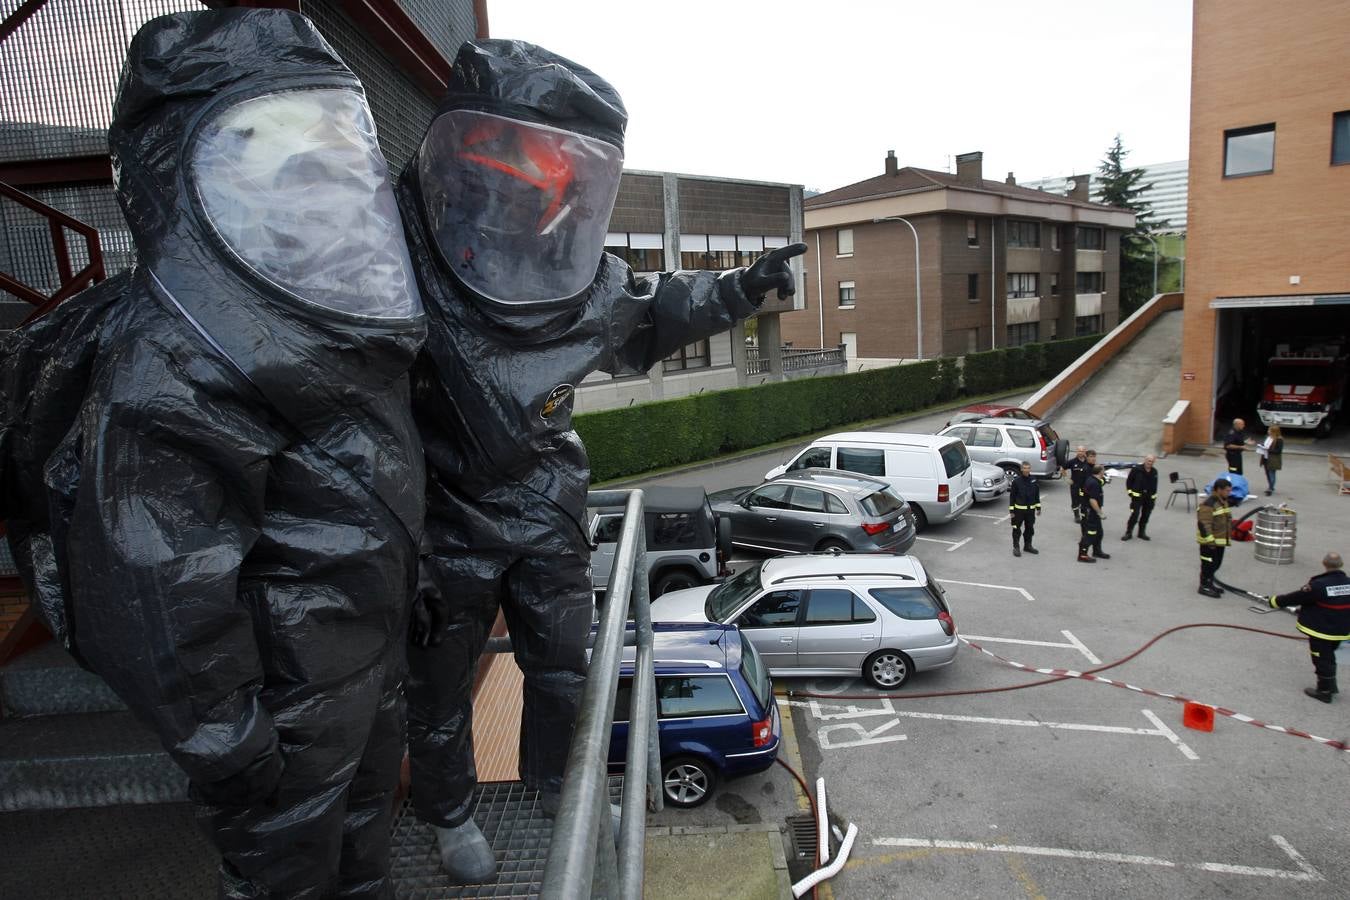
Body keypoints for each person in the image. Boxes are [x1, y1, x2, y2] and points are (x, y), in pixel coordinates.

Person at [1, 12, 429, 898]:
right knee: (287, 879)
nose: (317, 194)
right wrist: (231, 744)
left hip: (359, 670)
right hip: (283, 703)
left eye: (327, 164)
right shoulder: (172, 361)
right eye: (283, 169)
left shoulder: (329, 319)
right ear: (195, 180)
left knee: (362, 855)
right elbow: (157, 587)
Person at [395, 39, 806, 882]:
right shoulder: (402, 258)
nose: (540, 181)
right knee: (437, 686)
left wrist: (741, 286)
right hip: (441, 512)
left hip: (545, 500)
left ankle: (556, 783)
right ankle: (447, 813)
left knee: (561, 668)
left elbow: (652, 308)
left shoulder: (570, 272)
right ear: (476, 154)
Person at [1268, 553, 1350, 703]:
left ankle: (1324, 691)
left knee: (1321, 659)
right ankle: (1330, 685)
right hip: (1341, 630)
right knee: (1329, 656)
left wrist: (1275, 601)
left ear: (1324, 564)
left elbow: (1297, 597)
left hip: (1322, 630)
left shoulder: (1318, 585)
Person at [1196, 478, 1234, 597]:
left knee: (1216, 564)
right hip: (1209, 543)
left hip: (1219, 541)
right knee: (1208, 565)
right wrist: (1210, 541)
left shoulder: (1223, 502)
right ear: (1218, 490)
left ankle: (1210, 583)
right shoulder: (1209, 504)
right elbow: (1204, 524)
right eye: (1227, 491)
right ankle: (1204, 586)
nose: (1229, 493)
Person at [1122, 454, 1159, 541]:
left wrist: (1153, 498)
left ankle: (1141, 533)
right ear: (1145, 460)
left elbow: (1155, 485)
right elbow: (1129, 481)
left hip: (1149, 498)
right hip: (1137, 497)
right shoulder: (1136, 470)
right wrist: (1130, 493)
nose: (1150, 463)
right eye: (1149, 461)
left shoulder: (1154, 471)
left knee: (1146, 515)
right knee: (1135, 515)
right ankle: (1128, 532)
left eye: (1152, 461)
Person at [1077, 464, 1109, 562]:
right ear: (1100, 472)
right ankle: (1082, 555)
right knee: (1090, 534)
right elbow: (1092, 500)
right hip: (1091, 512)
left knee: (1099, 533)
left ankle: (1097, 551)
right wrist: (1100, 513)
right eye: (1103, 470)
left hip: (1092, 512)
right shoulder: (1094, 483)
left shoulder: (1092, 479)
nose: (1104, 472)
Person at [1008, 461, 1040, 557]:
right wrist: (1011, 511)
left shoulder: (1033, 480)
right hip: (1018, 511)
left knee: (1030, 529)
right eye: (1024, 468)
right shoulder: (1016, 481)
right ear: (1021, 469)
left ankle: (1028, 546)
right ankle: (1016, 547)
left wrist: (1038, 507)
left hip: (1030, 511)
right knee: (1016, 529)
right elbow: (1012, 496)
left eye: (1028, 468)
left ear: (1030, 469)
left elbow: (1036, 495)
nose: (1026, 470)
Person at [1063, 445, 1090, 522]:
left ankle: (1085, 514)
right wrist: (1066, 478)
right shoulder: (1072, 462)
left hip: (1086, 486)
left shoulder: (1088, 461)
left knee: (1085, 500)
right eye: (1079, 451)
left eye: (1082, 451)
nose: (1080, 452)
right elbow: (1062, 468)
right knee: (1075, 501)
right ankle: (1076, 515)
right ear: (1077, 452)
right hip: (1075, 485)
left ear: (1085, 452)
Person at [1258, 425, 1283, 495]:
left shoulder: (1279, 440)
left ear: (1274, 432)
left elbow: (1278, 451)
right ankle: (1270, 486)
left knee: (1272, 473)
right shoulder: (1268, 437)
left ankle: (1270, 488)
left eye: (1269, 430)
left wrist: (1268, 449)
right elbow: (1265, 444)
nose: (1268, 431)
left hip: (1273, 459)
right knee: (1267, 473)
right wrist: (1261, 445)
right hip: (1265, 458)